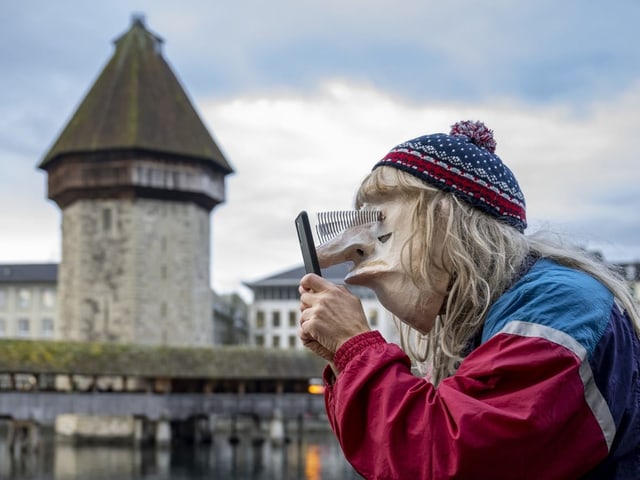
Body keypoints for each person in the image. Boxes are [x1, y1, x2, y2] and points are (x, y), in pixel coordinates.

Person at [298, 120, 640, 479]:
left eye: (379, 219)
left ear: (445, 219)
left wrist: (355, 349)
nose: (362, 243)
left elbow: (449, 456)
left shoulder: (558, 308)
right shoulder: (497, 311)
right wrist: (343, 361)